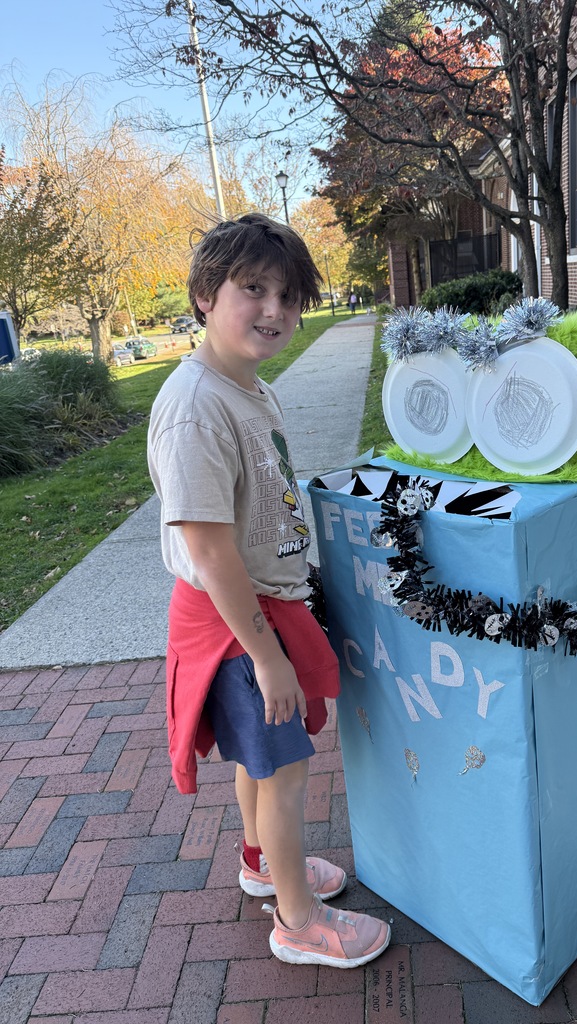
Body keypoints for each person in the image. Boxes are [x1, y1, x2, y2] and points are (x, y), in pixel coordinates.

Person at [147, 213, 390, 968]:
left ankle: (262, 865)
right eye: (252, 288)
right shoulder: (195, 408)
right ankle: (299, 921)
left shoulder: (246, 388)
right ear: (202, 296)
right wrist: (265, 655)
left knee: (263, 763)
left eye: (288, 295)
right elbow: (209, 549)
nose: (274, 310)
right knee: (286, 774)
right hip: (234, 625)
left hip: (258, 611)